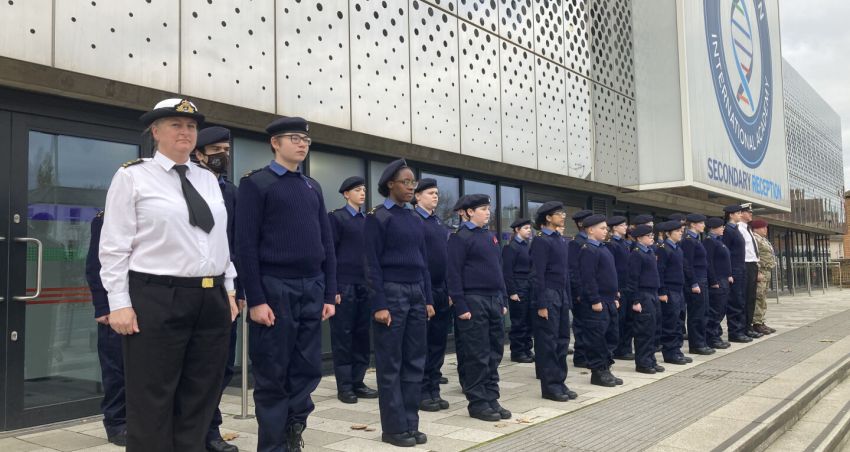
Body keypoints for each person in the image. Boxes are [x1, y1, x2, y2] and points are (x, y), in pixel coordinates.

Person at [100, 98, 239, 452]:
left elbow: (218, 239)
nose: (185, 132)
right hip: (157, 295)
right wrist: (118, 302)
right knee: (153, 397)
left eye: (191, 127)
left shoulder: (207, 179)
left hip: (209, 298)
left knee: (201, 394)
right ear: (155, 131)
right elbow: (114, 246)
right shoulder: (132, 176)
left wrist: (228, 289)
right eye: (176, 125)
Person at [236, 116, 337, 452]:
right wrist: (256, 298)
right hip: (275, 287)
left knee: (307, 369)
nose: (302, 144)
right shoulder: (257, 184)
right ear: (275, 143)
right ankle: (272, 446)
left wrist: (328, 292)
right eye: (293, 138)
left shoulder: (312, 186)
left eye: (306, 139)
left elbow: (327, 244)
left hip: (311, 287)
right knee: (273, 372)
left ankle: (293, 431)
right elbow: (245, 246)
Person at [364, 159, 434, 447]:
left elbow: (424, 263)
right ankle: (393, 428)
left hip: (417, 292)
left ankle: (410, 424)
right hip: (391, 293)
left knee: (415, 362)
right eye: (405, 182)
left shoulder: (415, 218)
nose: (411, 187)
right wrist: (379, 304)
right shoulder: (378, 217)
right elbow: (371, 265)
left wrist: (428, 299)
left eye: (413, 183)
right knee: (391, 364)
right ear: (390, 183)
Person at [194, 126, 243, 452]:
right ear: (199, 153)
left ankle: (208, 426)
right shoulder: (183, 185)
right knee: (195, 365)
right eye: (215, 149)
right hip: (189, 287)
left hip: (226, 290)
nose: (222, 155)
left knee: (221, 364)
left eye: (226, 148)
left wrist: (240, 291)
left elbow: (239, 244)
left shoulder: (233, 192)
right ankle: (201, 431)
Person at [448, 194, 510, 421]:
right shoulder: (460, 238)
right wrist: (460, 304)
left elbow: (498, 270)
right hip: (473, 300)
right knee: (477, 354)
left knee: (495, 352)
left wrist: (502, 299)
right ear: (469, 212)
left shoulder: (489, 237)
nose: (487, 212)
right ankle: (478, 403)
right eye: (483, 209)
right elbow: (453, 274)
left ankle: (492, 397)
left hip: (494, 300)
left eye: (488, 208)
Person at [328, 176, 379, 404]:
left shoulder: (369, 220)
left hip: (365, 285)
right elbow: (330, 254)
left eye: (364, 190)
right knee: (343, 336)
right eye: (357, 190)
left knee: (361, 336)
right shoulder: (337, 218)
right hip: (344, 284)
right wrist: (334, 287)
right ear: (346, 194)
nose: (362, 193)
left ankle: (358, 381)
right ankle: (345, 385)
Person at [85, 210, 126, 447]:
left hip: (147, 302)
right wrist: (102, 307)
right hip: (114, 306)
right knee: (115, 367)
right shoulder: (106, 218)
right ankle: (117, 422)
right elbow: (95, 264)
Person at [530, 201, 577, 401]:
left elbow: (565, 273)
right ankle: (550, 386)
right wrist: (541, 303)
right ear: (548, 218)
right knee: (548, 342)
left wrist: (568, 299)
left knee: (562, 341)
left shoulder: (560, 239)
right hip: (547, 294)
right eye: (559, 213)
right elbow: (537, 275)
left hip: (561, 294)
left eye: (563, 212)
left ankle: (560, 381)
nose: (563, 216)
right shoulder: (541, 240)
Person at [414, 178, 452, 412]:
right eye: (430, 193)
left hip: (441, 289)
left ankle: (434, 388)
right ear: (417, 197)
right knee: (423, 344)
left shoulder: (439, 223)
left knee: (438, 343)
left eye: (437, 193)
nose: (435, 196)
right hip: (422, 289)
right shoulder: (414, 220)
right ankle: (421, 391)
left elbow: (446, 260)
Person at [578, 214, 622, 387]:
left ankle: (606, 368)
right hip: (597, 303)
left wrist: (616, 296)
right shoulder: (588, 249)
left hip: (609, 300)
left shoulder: (603, 248)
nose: (606, 231)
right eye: (602, 228)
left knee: (611, 336)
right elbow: (588, 278)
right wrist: (595, 299)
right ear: (590, 230)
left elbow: (610, 275)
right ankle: (598, 373)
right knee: (597, 338)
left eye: (606, 228)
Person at [625, 224, 665, 374]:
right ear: (640, 238)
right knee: (644, 331)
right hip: (643, 295)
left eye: (652, 236)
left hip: (653, 294)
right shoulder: (636, 254)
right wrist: (635, 300)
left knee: (653, 330)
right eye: (649, 236)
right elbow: (632, 279)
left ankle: (651, 360)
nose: (652, 238)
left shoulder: (648, 252)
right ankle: (643, 363)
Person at [655, 220, 692, 366]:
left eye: (681, 231)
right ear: (668, 233)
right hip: (669, 290)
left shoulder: (677, 248)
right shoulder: (663, 248)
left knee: (678, 321)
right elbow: (660, 271)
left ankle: (677, 350)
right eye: (677, 232)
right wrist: (662, 291)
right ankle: (670, 353)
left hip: (679, 289)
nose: (680, 233)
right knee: (670, 322)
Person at [680, 213, 714, 356]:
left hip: (702, 279)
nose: (704, 226)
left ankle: (701, 342)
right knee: (697, 314)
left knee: (704, 312)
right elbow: (687, 264)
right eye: (701, 223)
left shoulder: (696, 239)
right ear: (693, 224)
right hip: (696, 281)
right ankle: (696, 344)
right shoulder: (688, 240)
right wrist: (693, 282)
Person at [503, 218, 535, 363]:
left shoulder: (527, 246)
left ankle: (527, 349)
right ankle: (517, 352)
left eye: (530, 228)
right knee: (519, 321)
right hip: (518, 286)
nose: (529, 231)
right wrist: (512, 292)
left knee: (528, 321)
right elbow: (507, 272)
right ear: (517, 230)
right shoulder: (511, 247)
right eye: (526, 228)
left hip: (528, 286)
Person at [722, 205, 752, 343]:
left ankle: (741, 330)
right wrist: (729, 272)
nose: (740, 214)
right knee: (735, 301)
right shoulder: (728, 230)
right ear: (731, 215)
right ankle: (735, 332)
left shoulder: (736, 229)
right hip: (734, 269)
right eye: (738, 213)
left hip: (741, 268)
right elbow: (726, 253)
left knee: (741, 301)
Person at [606, 216, 633, 360]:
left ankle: (626, 347)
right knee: (620, 319)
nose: (625, 227)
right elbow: (612, 269)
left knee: (628, 319)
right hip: (619, 286)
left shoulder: (624, 243)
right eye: (622, 225)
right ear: (615, 228)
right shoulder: (611, 244)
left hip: (627, 285)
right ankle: (619, 349)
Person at [568, 209, 593, 368]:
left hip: (590, 290)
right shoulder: (576, 243)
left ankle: (588, 354)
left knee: (590, 325)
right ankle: (581, 356)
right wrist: (577, 291)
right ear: (581, 224)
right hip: (581, 291)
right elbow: (573, 270)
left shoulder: (591, 242)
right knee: (582, 325)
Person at [704, 217, 732, 350]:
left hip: (724, 279)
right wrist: (713, 280)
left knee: (721, 310)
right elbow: (708, 263)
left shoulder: (719, 241)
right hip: (717, 281)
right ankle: (711, 337)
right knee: (715, 310)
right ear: (713, 228)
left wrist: (729, 275)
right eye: (721, 226)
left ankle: (716, 335)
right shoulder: (710, 242)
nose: (723, 228)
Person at [739, 204, 763, 339]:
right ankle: (744, 327)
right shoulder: (739, 229)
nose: (750, 214)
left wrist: (757, 268)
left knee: (752, 298)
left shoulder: (748, 229)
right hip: (745, 265)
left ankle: (749, 326)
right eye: (748, 212)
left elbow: (754, 252)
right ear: (741, 213)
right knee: (746, 297)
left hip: (752, 265)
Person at [751, 219, 777, 335]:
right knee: (759, 297)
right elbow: (754, 256)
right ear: (756, 228)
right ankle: (756, 323)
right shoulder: (755, 239)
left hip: (767, 271)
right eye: (763, 227)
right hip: (761, 271)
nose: (765, 229)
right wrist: (757, 271)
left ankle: (761, 321)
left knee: (763, 298)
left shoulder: (763, 240)